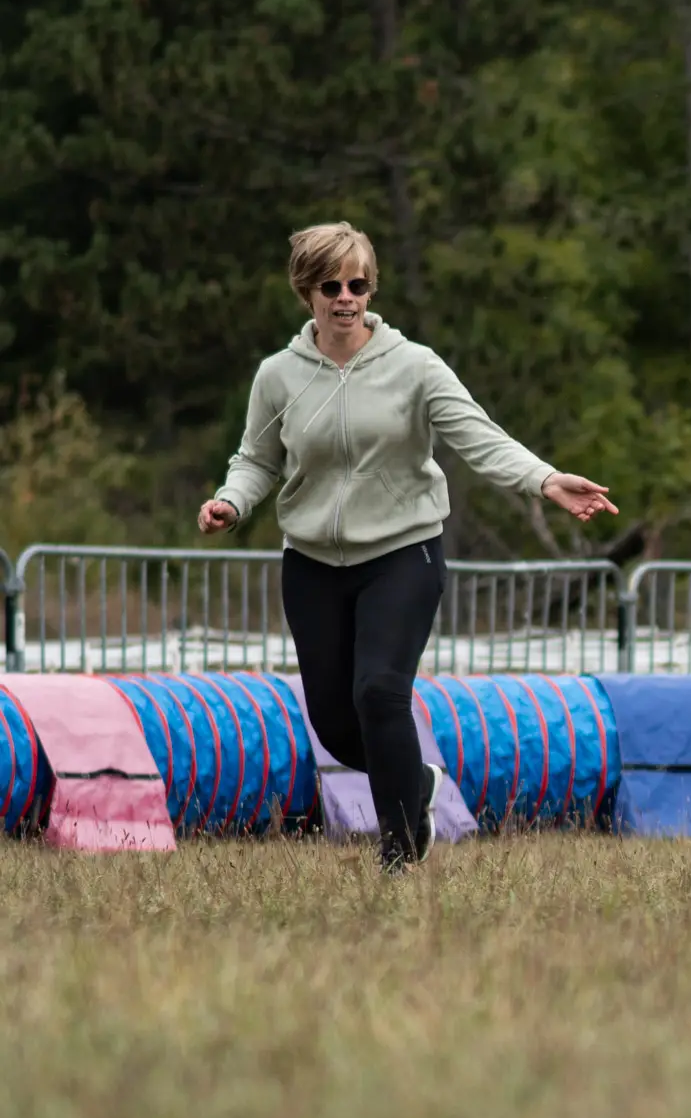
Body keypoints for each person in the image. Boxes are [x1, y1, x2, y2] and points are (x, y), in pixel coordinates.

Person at [197, 222, 618, 871]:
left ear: (371, 288)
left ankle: (399, 851)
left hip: (402, 553)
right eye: (332, 285)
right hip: (310, 562)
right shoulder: (278, 377)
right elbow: (256, 458)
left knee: (380, 694)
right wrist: (232, 500)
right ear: (306, 290)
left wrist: (546, 479)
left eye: (358, 284)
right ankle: (414, 783)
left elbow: (481, 439)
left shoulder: (414, 366)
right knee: (336, 726)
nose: (346, 297)